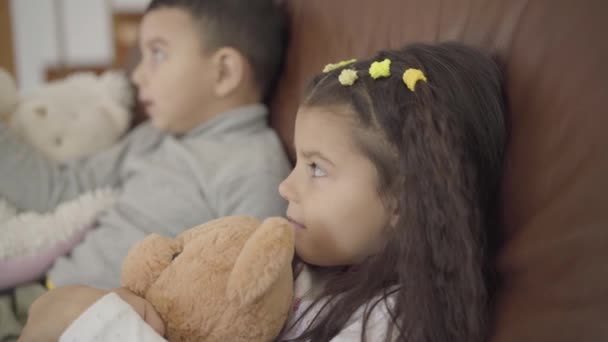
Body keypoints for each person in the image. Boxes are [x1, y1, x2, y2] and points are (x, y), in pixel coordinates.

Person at [20, 42, 508, 342]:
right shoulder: (309, 279)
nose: (284, 184)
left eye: (316, 168)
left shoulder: (390, 321)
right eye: (298, 159)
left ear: (405, 198)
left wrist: (92, 322)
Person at [0, 0, 291, 289]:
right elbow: (58, 190)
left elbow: (249, 291)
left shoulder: (253, 169)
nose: (138, 76)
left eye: (158, 53)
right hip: (39, 293)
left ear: (224, 72)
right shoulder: (153, 135)